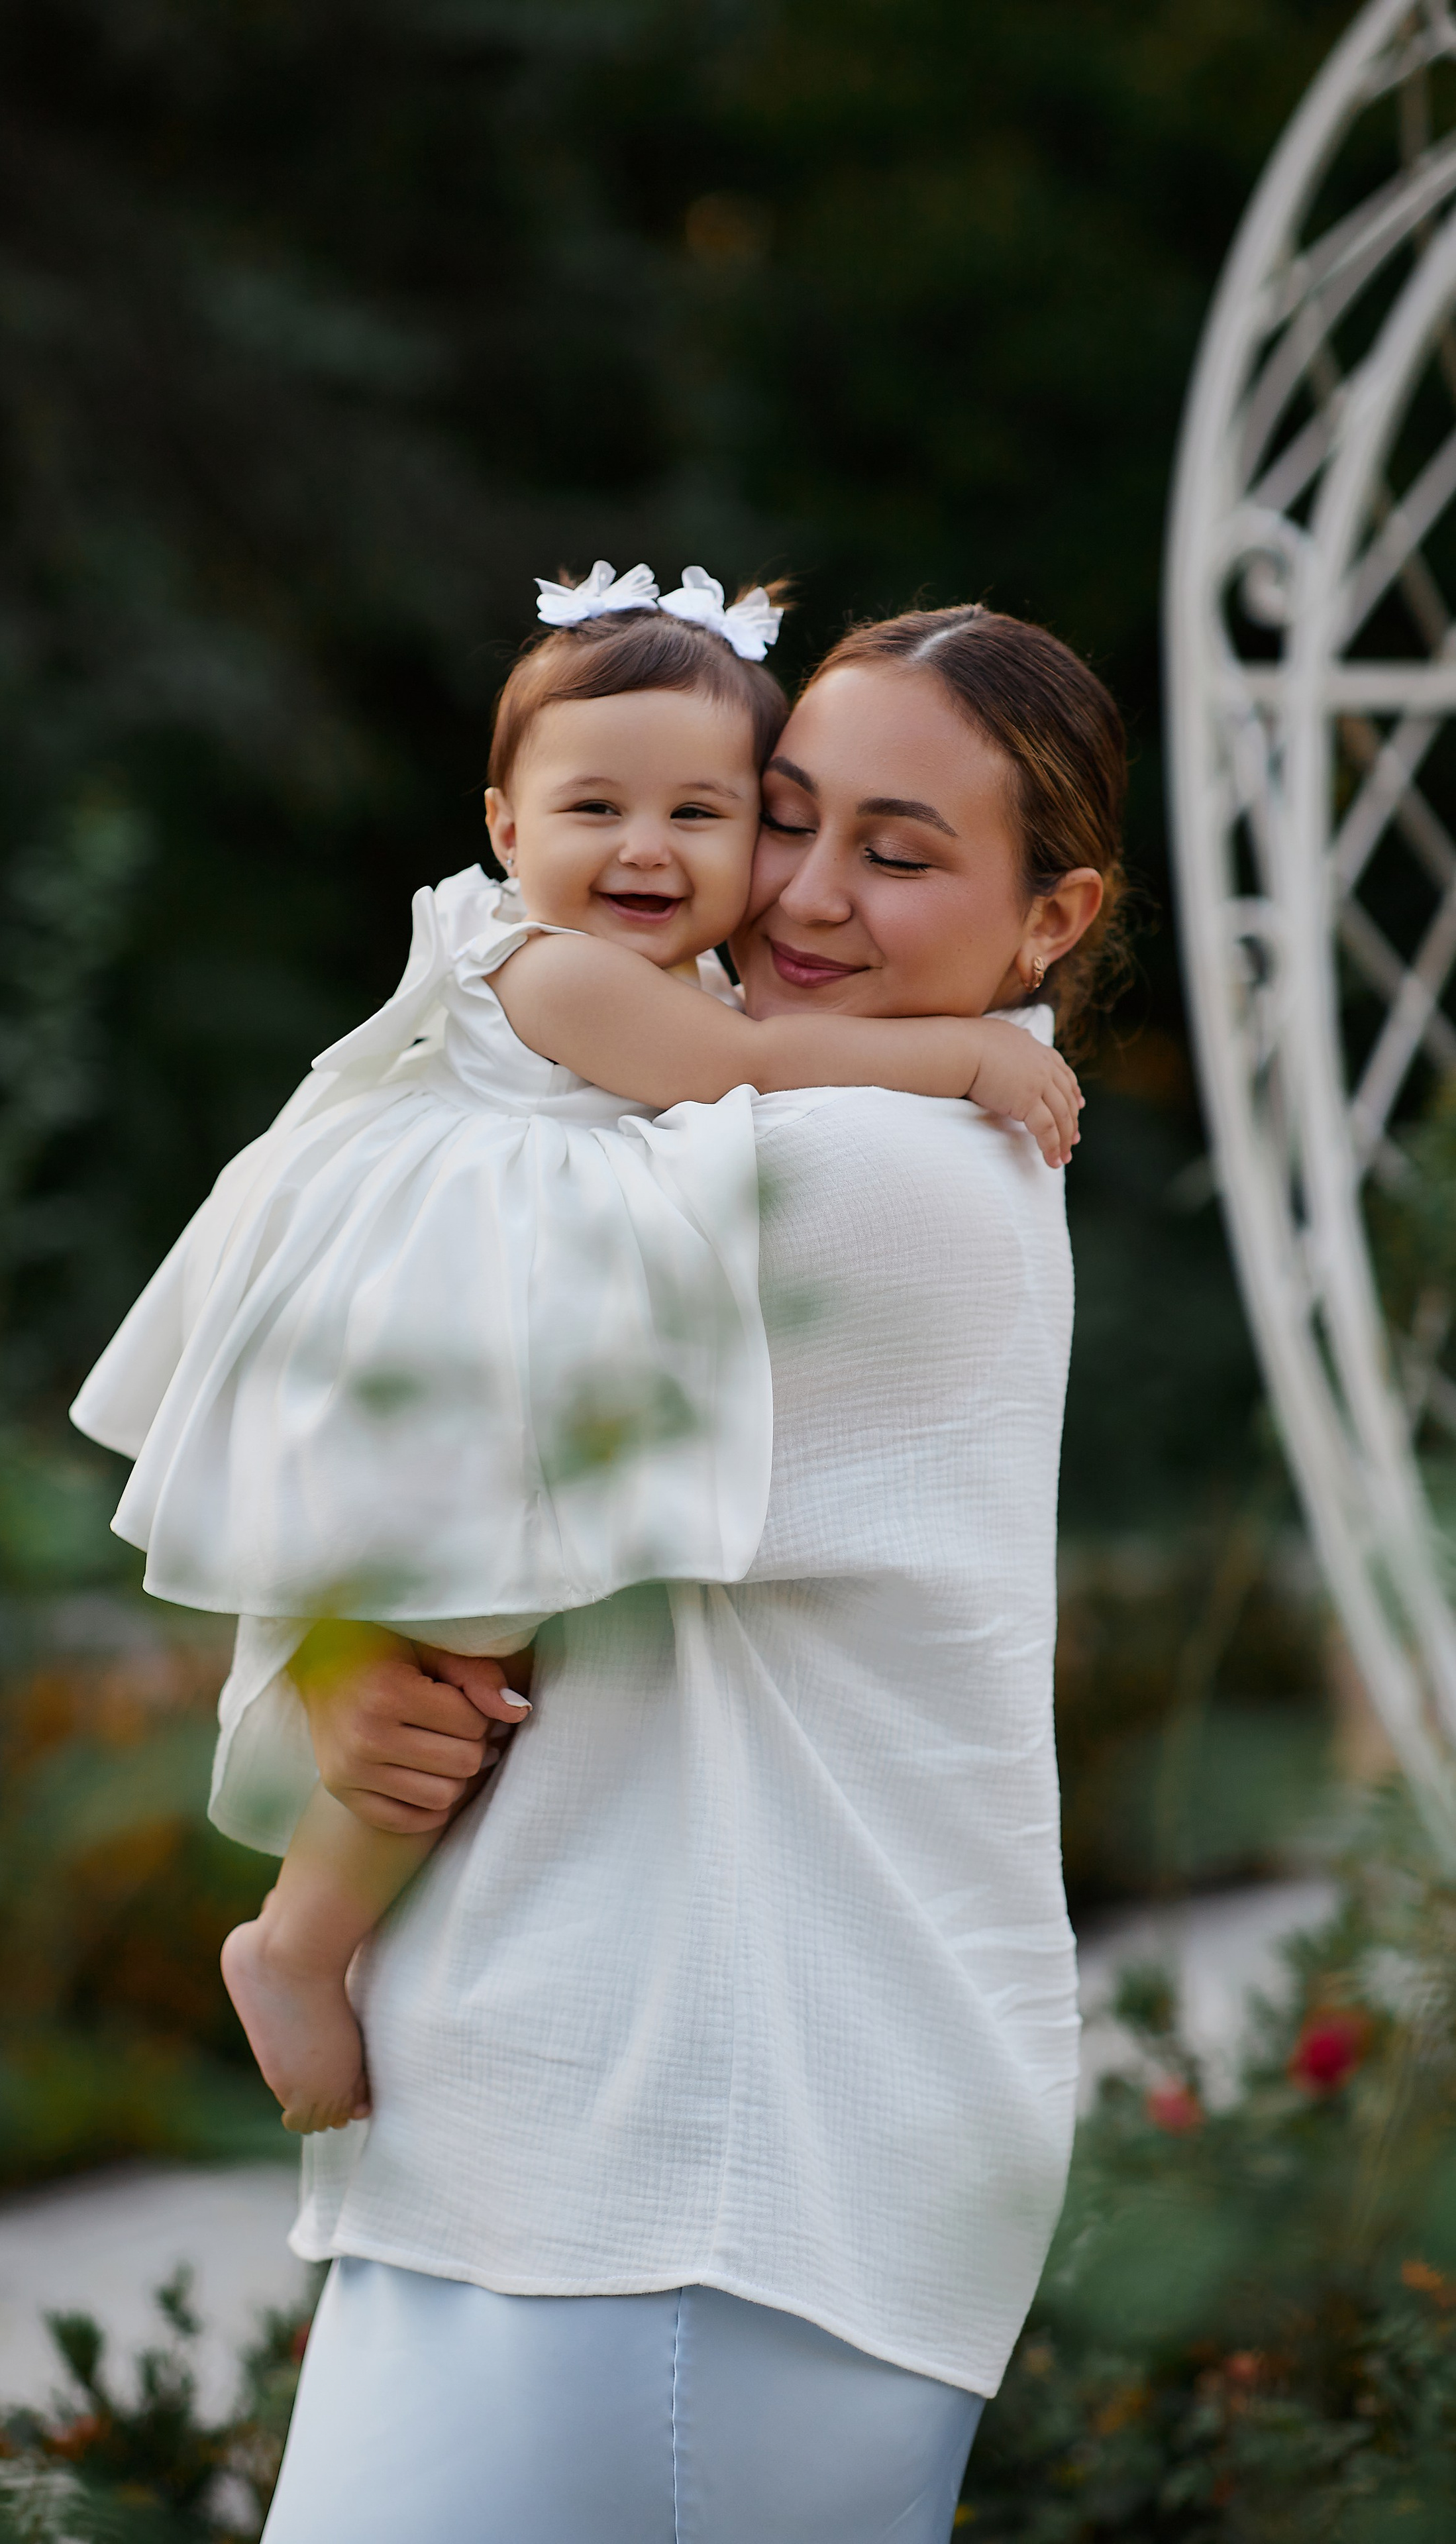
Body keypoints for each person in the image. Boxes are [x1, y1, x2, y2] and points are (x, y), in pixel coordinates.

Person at [246, 602, 1124, 2543]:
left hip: (695, 2178)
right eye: (784, 819)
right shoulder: (824, 1109)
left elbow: (423, 1399)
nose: (801, 897)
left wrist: (334, 1650)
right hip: (648, 2159)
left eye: (897, 857)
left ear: (1051, 920)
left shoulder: (858, 1173)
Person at [72, 567, 1081, 2133]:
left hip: (711, 2034)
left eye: (706, 814)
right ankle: (295, 1941)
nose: (652, 852)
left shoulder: (870, 1180)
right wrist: (965, 1050)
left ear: (1051, 917)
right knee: (456, 1651)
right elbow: (739, 1066)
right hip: (442, 1323)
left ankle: (298, 1937)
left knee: (458, 1655)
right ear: (501, 826)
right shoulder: (559, 971)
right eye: (594, 807)